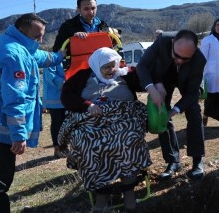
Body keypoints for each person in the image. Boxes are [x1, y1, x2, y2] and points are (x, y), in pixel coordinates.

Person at [0, 13, 65, 212]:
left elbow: (38, 56)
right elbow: (15, 99)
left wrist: (60, 57)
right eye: (37, 36)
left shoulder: (13, 42)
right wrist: (19, 135)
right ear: (23, 31)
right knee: (0, 184)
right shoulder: (14, 55)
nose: (40, 40)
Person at [58, 47, 151, 212]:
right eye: (106, 67)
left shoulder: (125, 73)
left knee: (128, 137)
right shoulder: (82, 77)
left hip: (124, 116)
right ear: (96, 66)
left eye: (113, 65)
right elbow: (66, 96)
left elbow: (144, 80)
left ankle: (128, 188)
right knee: (86, 142)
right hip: (91, 119)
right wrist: (88, 106)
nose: (111, 70)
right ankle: (102, 192)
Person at [136, 29, 206, 180]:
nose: (180, 60)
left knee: (193, 110)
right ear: (173, 43)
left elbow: (193, 93)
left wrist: (174, 111)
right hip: (163, 77)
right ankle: (173, 161)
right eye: (177, 56)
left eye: (185, 58)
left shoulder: (199, 60)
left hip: (187, 81)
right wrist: (153, 87)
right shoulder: (162, 41)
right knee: (161, 111)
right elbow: (142, 66)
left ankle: (198, 159)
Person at [42, 62, 66, 158]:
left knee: (65, 122)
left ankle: (64, 146)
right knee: (57, 122)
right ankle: (57, 148)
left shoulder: (66, 59)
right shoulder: (51, 61)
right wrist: (67, 83)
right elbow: (52, 78)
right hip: (54, 99)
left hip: (65, 97)